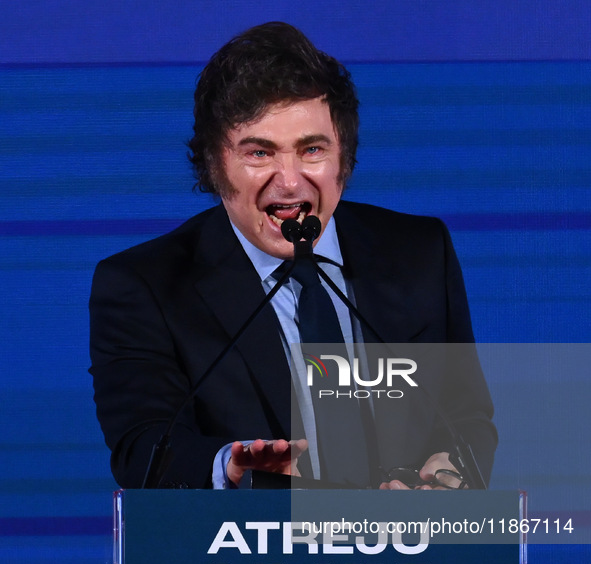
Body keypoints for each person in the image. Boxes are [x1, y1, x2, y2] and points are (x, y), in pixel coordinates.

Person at [89, 22, 496, 490]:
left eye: (312, 149)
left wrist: (448, 470)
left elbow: (464, 414)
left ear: (344, 158)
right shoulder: (145, 286)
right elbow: (144, 448)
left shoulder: (420, 252)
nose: (289, 181)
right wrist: (229, 464)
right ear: (214, 165)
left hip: (408, 555)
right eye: (260, 153)